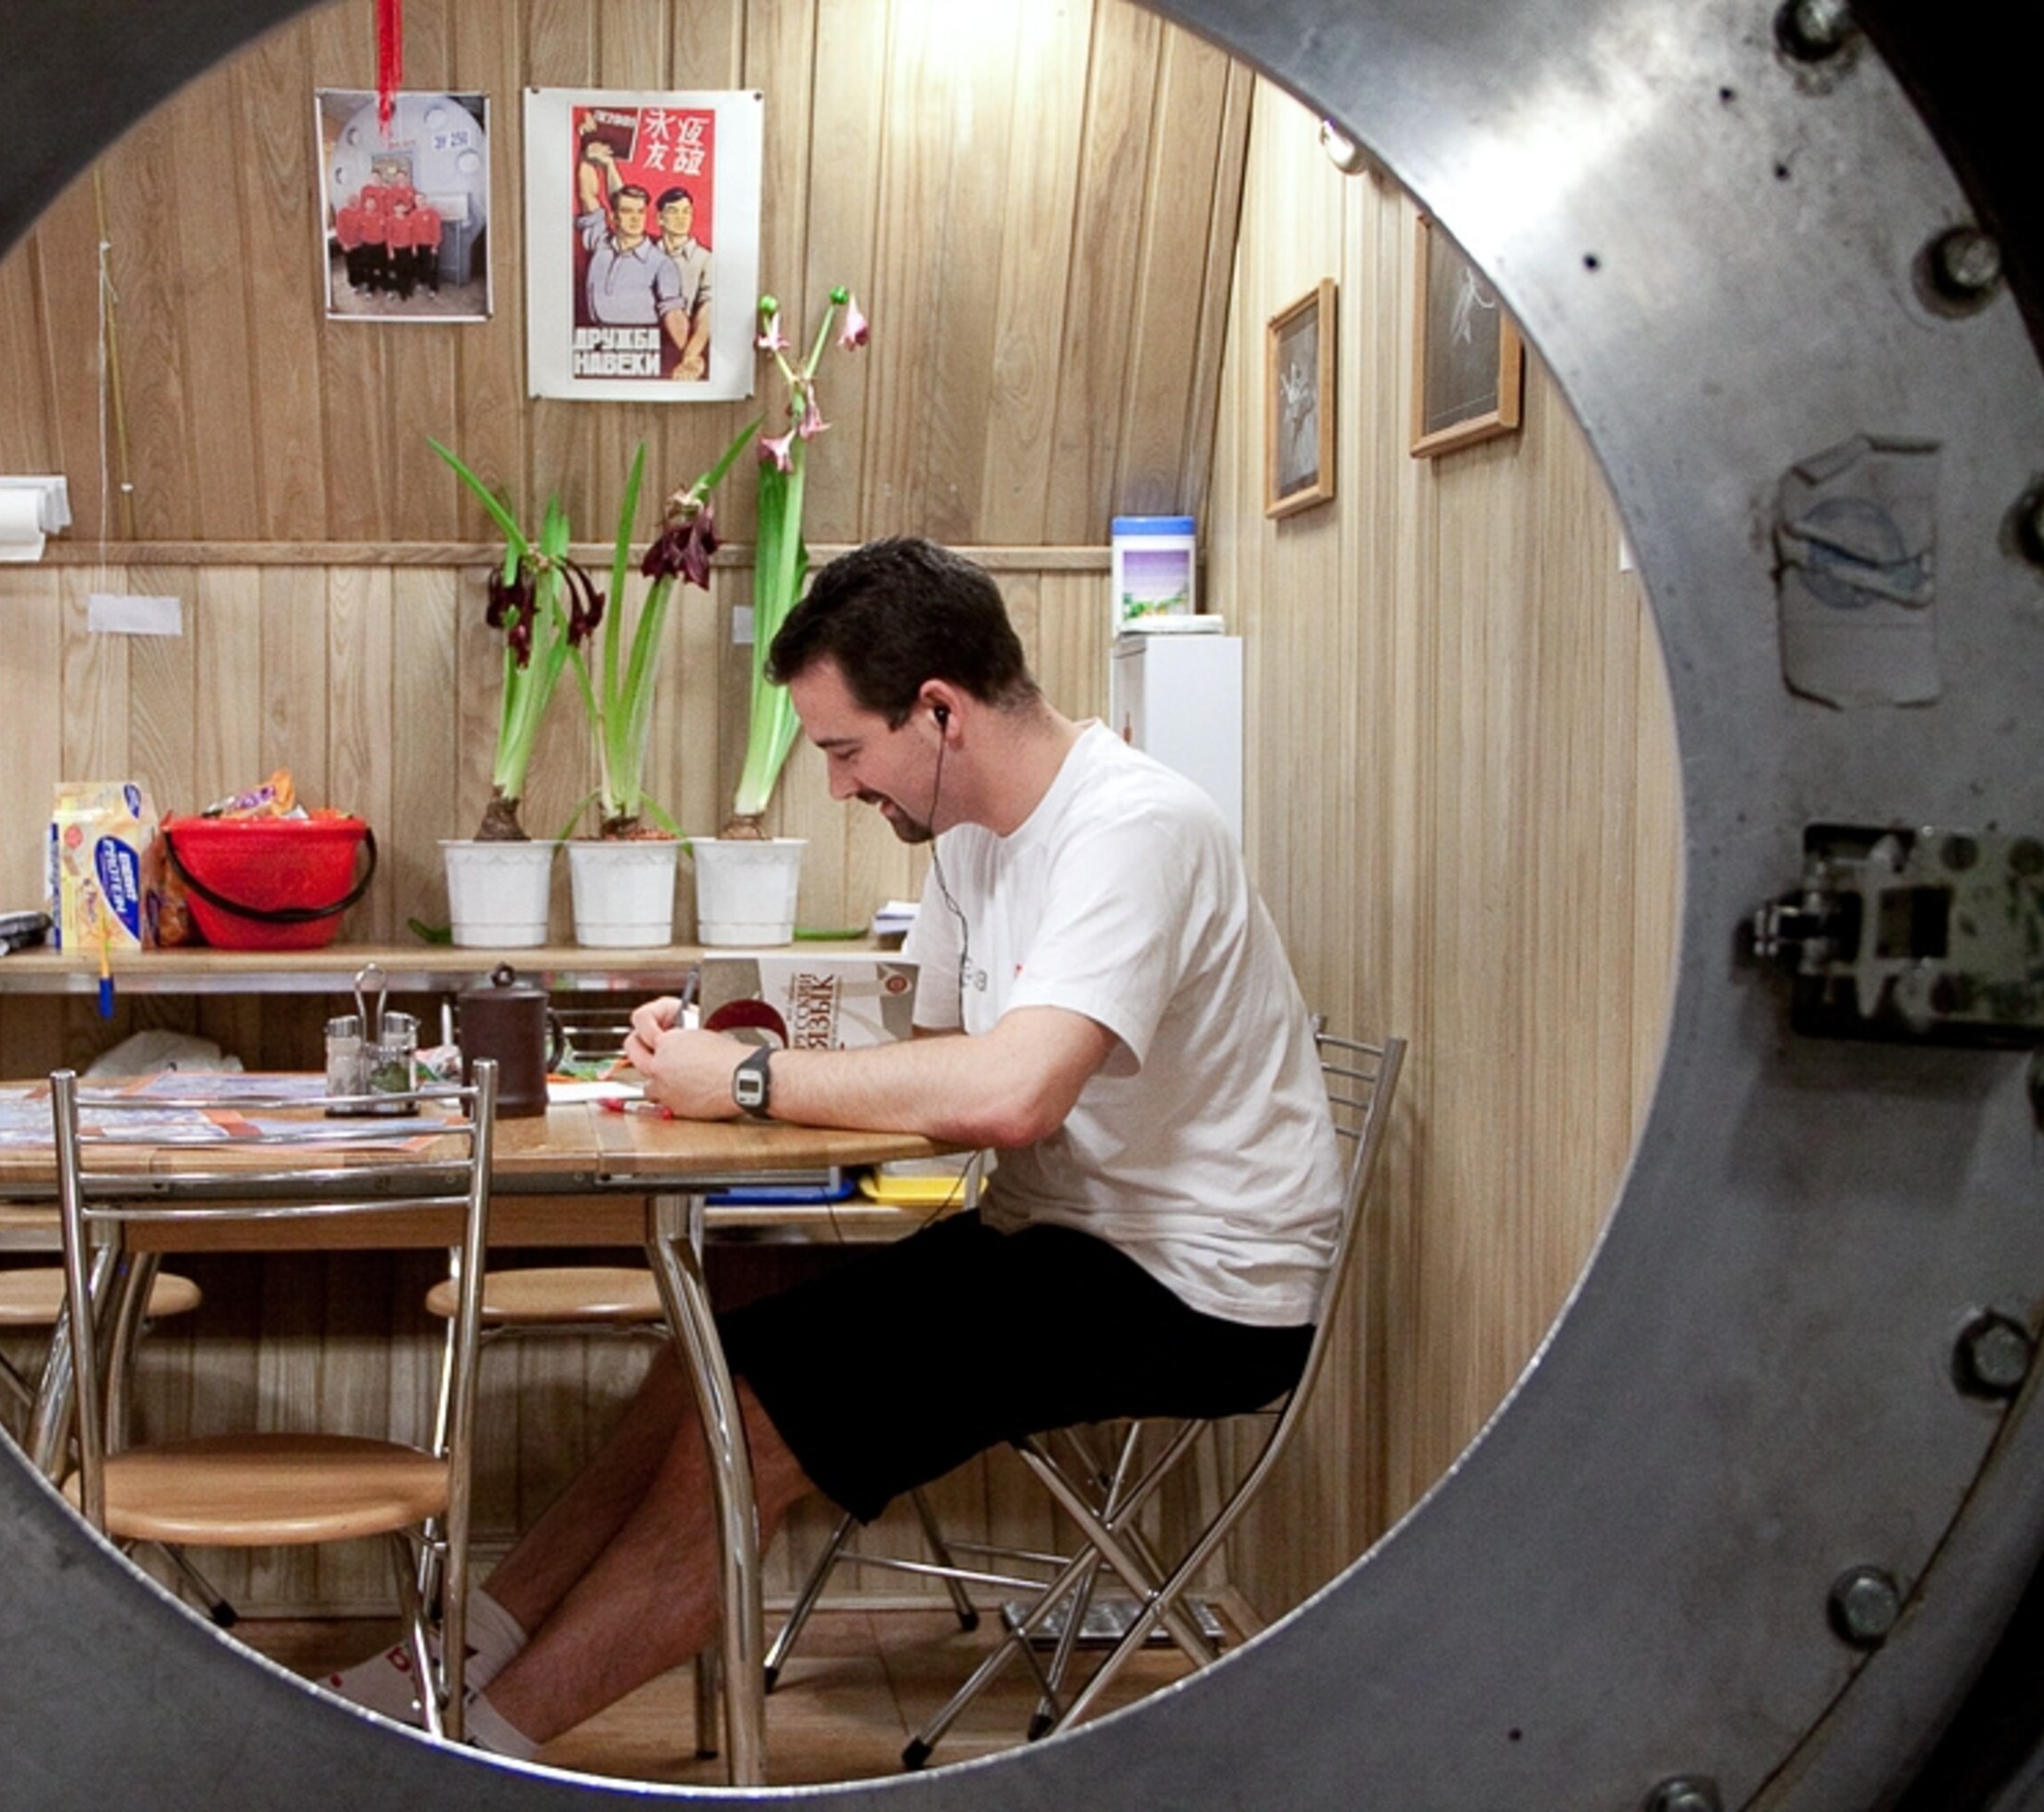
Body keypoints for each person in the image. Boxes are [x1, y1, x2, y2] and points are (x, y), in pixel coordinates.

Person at [321, 537, 1344, 1757]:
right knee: (713, 1325)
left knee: (758, 1408)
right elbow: (933, 1063)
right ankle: (462, 1651)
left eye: (847, 751)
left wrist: (746, 1080)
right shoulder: (969, 838)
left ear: (940, 712)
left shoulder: (1134, 829)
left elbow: (1011, 1092)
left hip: (1198, 1289)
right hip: (1059, 1241)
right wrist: (717, 1051)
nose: (841, 788)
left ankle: (484, 1747)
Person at [575, 141, 689, 345]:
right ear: (614, 218)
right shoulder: (601, 244)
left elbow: (673, 312)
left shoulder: (661, 263)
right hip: (597, 345)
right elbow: (587, 196)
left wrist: (689, 357)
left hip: (642, 347)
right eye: (628, 212)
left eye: (640, 211)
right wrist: (587, 156)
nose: (636, 218)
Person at [653, 186, 712, 380]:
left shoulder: (705, 259)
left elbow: (707, 312)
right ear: (660, 218)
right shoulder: (645, 254)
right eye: (674, 211)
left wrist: (691, 356)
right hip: (645, 344)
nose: (682, 217)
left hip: (688, 345)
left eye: (687, 212)